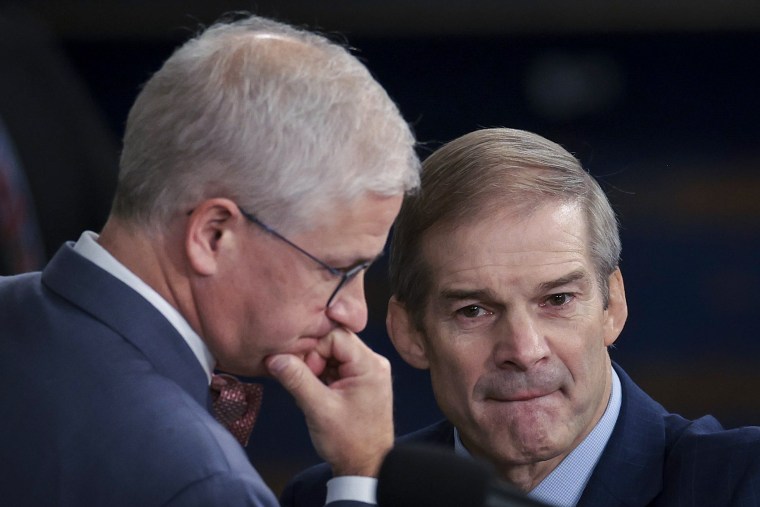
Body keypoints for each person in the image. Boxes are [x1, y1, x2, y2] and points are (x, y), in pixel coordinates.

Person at [0, 13, 420, 507]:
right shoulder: (205, 484)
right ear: (213, 235)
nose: (354, 312)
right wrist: (362, 476)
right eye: (336, 270)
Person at [282, 128, 760, 507]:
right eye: (473, 310)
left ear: (612, 305)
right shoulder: (342, 495)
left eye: (557, 300)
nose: (524, 351)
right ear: (411, 334)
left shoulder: (741, 482)